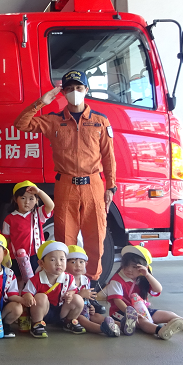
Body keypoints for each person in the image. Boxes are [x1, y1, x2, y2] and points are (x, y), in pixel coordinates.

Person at [13, 70, 116, 284]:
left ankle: (91, 285)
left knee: (96, 238)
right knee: (64, 239)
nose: (74, 92)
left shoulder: (100, 121)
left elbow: (109, 156)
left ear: (86, 90)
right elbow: (21, 124)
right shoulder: (53, 120)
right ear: (63, 93)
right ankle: (67, 286)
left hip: (94, 185)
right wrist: (41, 102)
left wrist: (111, 187)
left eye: (78, 88)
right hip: (65, 185)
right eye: (69, 89)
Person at [104, 245, 183, 340]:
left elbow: (158, 289)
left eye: (135, 267)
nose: (129, 269)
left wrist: (147, 275)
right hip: (121, 313)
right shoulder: (117, 280)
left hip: (142, 310)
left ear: (143, 267)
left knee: (169, 314)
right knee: (143, 321)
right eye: (126, 265)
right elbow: (117, 301)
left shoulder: (141, 279)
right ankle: (160, 331)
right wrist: (131, 313)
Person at [21, 240, 86, 338]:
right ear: (41, 263)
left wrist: (70, 294)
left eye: (62, 259)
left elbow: (73, 290)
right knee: (40, 297)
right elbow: (26, 292)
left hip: (61, 311)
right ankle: (37, 324)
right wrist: (28, 296)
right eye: (52, 260)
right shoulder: (36, 279)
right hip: (44, 312)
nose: (58, 263)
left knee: (78, 299)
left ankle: (69, 322)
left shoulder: (69, 278)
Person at [1, 181, 54, 279]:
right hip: (16, 256)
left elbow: (50, 205)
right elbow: (6, 239)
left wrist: (39, 192)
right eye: (23, 198)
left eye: (31, 198)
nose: (27, 202)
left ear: (37, 200)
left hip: (36, 254)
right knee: (19, 279)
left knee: (37, 277)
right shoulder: (9, 219)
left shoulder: (38, 214)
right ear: (15, 199)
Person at [67, 245, 120, 337]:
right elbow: (64, 300)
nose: (78, 265)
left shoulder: (85, 280)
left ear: (86, 264)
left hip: (84, 310)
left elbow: (87, 298)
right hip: (71, 313)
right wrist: (80, 295)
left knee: (96, 316)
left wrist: (90, 307)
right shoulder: (65, 280)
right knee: (82, 319)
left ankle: (121, 325)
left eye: (81, 262)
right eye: (73, 262)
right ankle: (103, 329)